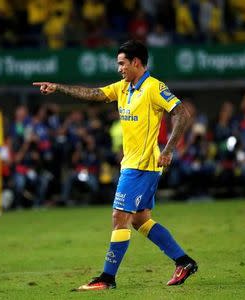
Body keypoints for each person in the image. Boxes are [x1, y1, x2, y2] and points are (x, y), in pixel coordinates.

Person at [33, 40, 198, 291]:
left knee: (119, 216)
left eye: (122, 63)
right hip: (133, 164)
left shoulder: (154, 87)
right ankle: (183, 262)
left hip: (142, 165)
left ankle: (107, 278)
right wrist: (58, 88)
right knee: (140, 220)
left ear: (136, 62)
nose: (119, 68)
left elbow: (181, 113)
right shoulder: (123, 88)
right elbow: (93, 94)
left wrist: (169, 149)